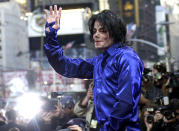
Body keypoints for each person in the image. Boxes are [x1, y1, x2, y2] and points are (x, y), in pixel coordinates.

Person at [44, 5, 144, 131]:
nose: (96, 35)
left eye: (102, 30)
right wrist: (50, 34)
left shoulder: (127, 58)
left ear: (115, 32)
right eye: (94, 31)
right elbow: (64, 67)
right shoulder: (100, 61)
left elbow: (125, 103)